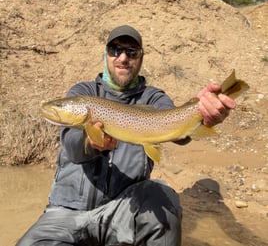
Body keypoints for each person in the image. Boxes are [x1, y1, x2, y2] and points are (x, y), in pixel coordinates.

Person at [16, 25, 236, 246]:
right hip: (66, 213)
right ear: (106, 54)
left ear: (141, 58)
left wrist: (200, 110)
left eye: (132, 52)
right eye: (115, 50)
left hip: (123, 211)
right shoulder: (83, 93)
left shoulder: (154, 98)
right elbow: (71, 146)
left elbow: (177, 131)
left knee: (163, 198)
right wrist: (91, 144)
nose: (123, 57)